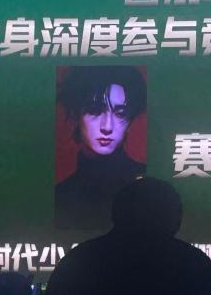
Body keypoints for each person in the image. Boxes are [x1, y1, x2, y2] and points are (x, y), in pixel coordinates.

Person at [43, 177, 211, 295]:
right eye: (176, 211)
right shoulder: (192, 264)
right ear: (171, 217)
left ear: (116, 213)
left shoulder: (80, 260)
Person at [55, 66, 147, 229]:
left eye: (120, 113)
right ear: (76, 115)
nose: (107, 126)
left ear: (130, 120)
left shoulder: (148, 184)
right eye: (94, 110)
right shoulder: (60, 195)